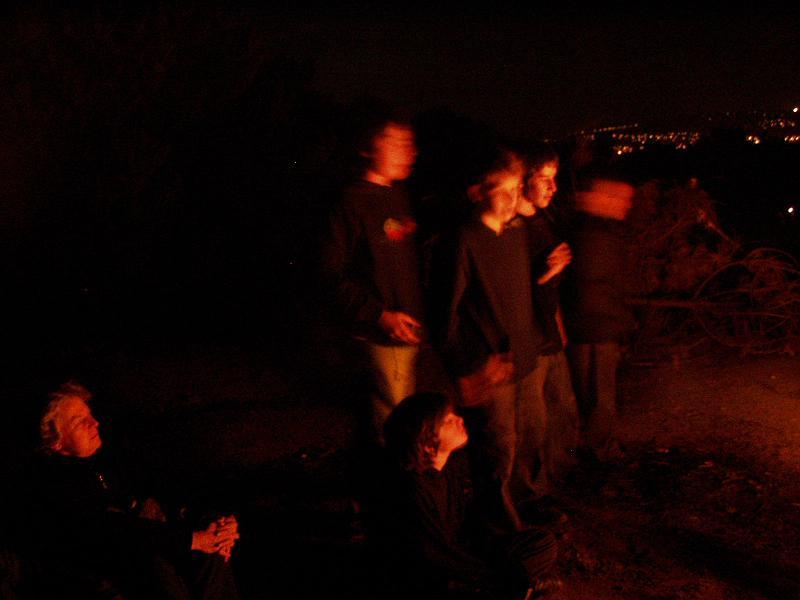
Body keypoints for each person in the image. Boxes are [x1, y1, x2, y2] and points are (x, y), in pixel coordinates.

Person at [28, 381, 241, 599]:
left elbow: (159, 486)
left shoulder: (107, 456)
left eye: (89, 414)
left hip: (155, 541)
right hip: (114, 567)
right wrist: (192, 539)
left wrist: (217, 524)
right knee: (152, 556)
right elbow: (112, 530)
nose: (95, 423)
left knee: (211, 539)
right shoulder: (53, 485)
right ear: (56, 442)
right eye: (79, 421)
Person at [432, 147, 548, 530]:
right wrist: (469, 365)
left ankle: (527, 504)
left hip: (524, 358)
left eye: (517, 188)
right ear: (479, 192)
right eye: (505, 189)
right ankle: (500, 525)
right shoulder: (463, 240)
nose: (514, 198)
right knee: (499, 449)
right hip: (491, 365)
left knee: (530, 436)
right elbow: (445, 313)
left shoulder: (514, 234)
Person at [377, 392, 559, 599]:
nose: (459, 420)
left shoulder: (450, 468)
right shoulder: (413, 490)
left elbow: (468, 523)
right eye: (448, 421)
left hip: (463, 553)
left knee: (542, 543)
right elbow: (434, 556)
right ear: (427, 443)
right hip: (437, 572)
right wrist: (498, 575)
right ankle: (519, 587)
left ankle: (517, 586)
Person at [321, 103, 427, 442]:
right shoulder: (350, 203)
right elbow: (328, 275)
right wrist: (379, 315)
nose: (408, 151)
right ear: (367, 147)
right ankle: (392, 472)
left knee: (405, 417)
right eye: (395, 142)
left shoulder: (398, 195)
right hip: (380, 335)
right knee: (393, 427)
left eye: (409, 143)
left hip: (408, 333)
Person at [514, 144, 580, 518]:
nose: (553, 188)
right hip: (530, 343)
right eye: (544, 179)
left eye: (554, 179)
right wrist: (547, 273)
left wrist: (559, 325)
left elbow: (548, 288)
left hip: (550, 337)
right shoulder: (513, 228)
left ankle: (560, 479)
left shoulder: (542, 221)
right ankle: (529, 496)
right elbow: (510, 290)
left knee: (563, 412)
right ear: (523, 181)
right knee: (532, 424)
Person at [561, 171, 637, 462]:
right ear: (601, 198)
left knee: (588, 394)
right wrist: (621, 320)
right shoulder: (596, 236)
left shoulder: (585, 230)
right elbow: (595, 287)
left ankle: (582, 449)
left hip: (586, 325)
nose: (625, 205)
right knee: (599, 395)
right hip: (595, 327)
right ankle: (602, 450)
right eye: (620, 198)